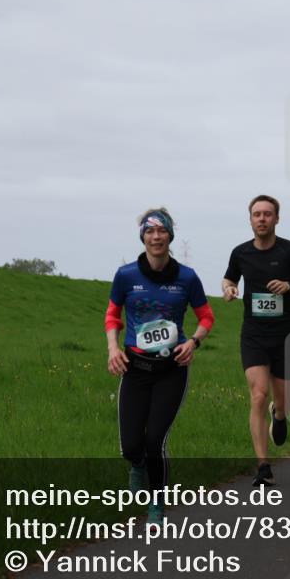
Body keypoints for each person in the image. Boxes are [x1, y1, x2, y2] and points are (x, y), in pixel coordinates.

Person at [106, 208, 214, 523]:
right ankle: (136, 465)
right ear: (143, 237)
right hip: (134, 367)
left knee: (155, 439)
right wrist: (113, 347)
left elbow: (206, 316)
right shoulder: (126, 275)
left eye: (161, 231)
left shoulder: (187, 277)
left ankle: (157, 504)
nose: (156, 237)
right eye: (150, 232)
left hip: (171, 369)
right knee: (130, 446)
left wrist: (193, 342)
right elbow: (113, 314)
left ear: (169, 236)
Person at [223, 195, 290, 486]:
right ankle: (263, 466)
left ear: (277, 218)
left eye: (267, 214)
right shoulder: (240, 253)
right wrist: (228, 289)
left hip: (286, 335)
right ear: (250, 219)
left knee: (280, 400)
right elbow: (229, 279)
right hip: (253, 335)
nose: (261, 219)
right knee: (258, 395)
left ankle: (280, 415)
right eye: (256, 214)